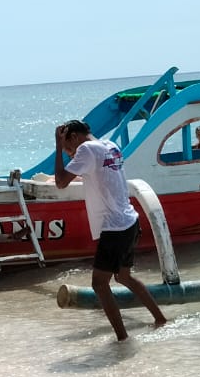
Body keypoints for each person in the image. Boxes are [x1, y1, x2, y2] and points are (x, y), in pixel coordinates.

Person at [54, 119, 169, 340]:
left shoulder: (86, 149)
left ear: (74, 137)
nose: (70, 155)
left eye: (69, 148)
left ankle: (122, 339)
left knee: (99, 284)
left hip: (114, 228)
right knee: (124, 277)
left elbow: (60, 182)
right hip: (129, 221)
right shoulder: (110, 145)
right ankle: (160, 319)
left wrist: (58, 146)